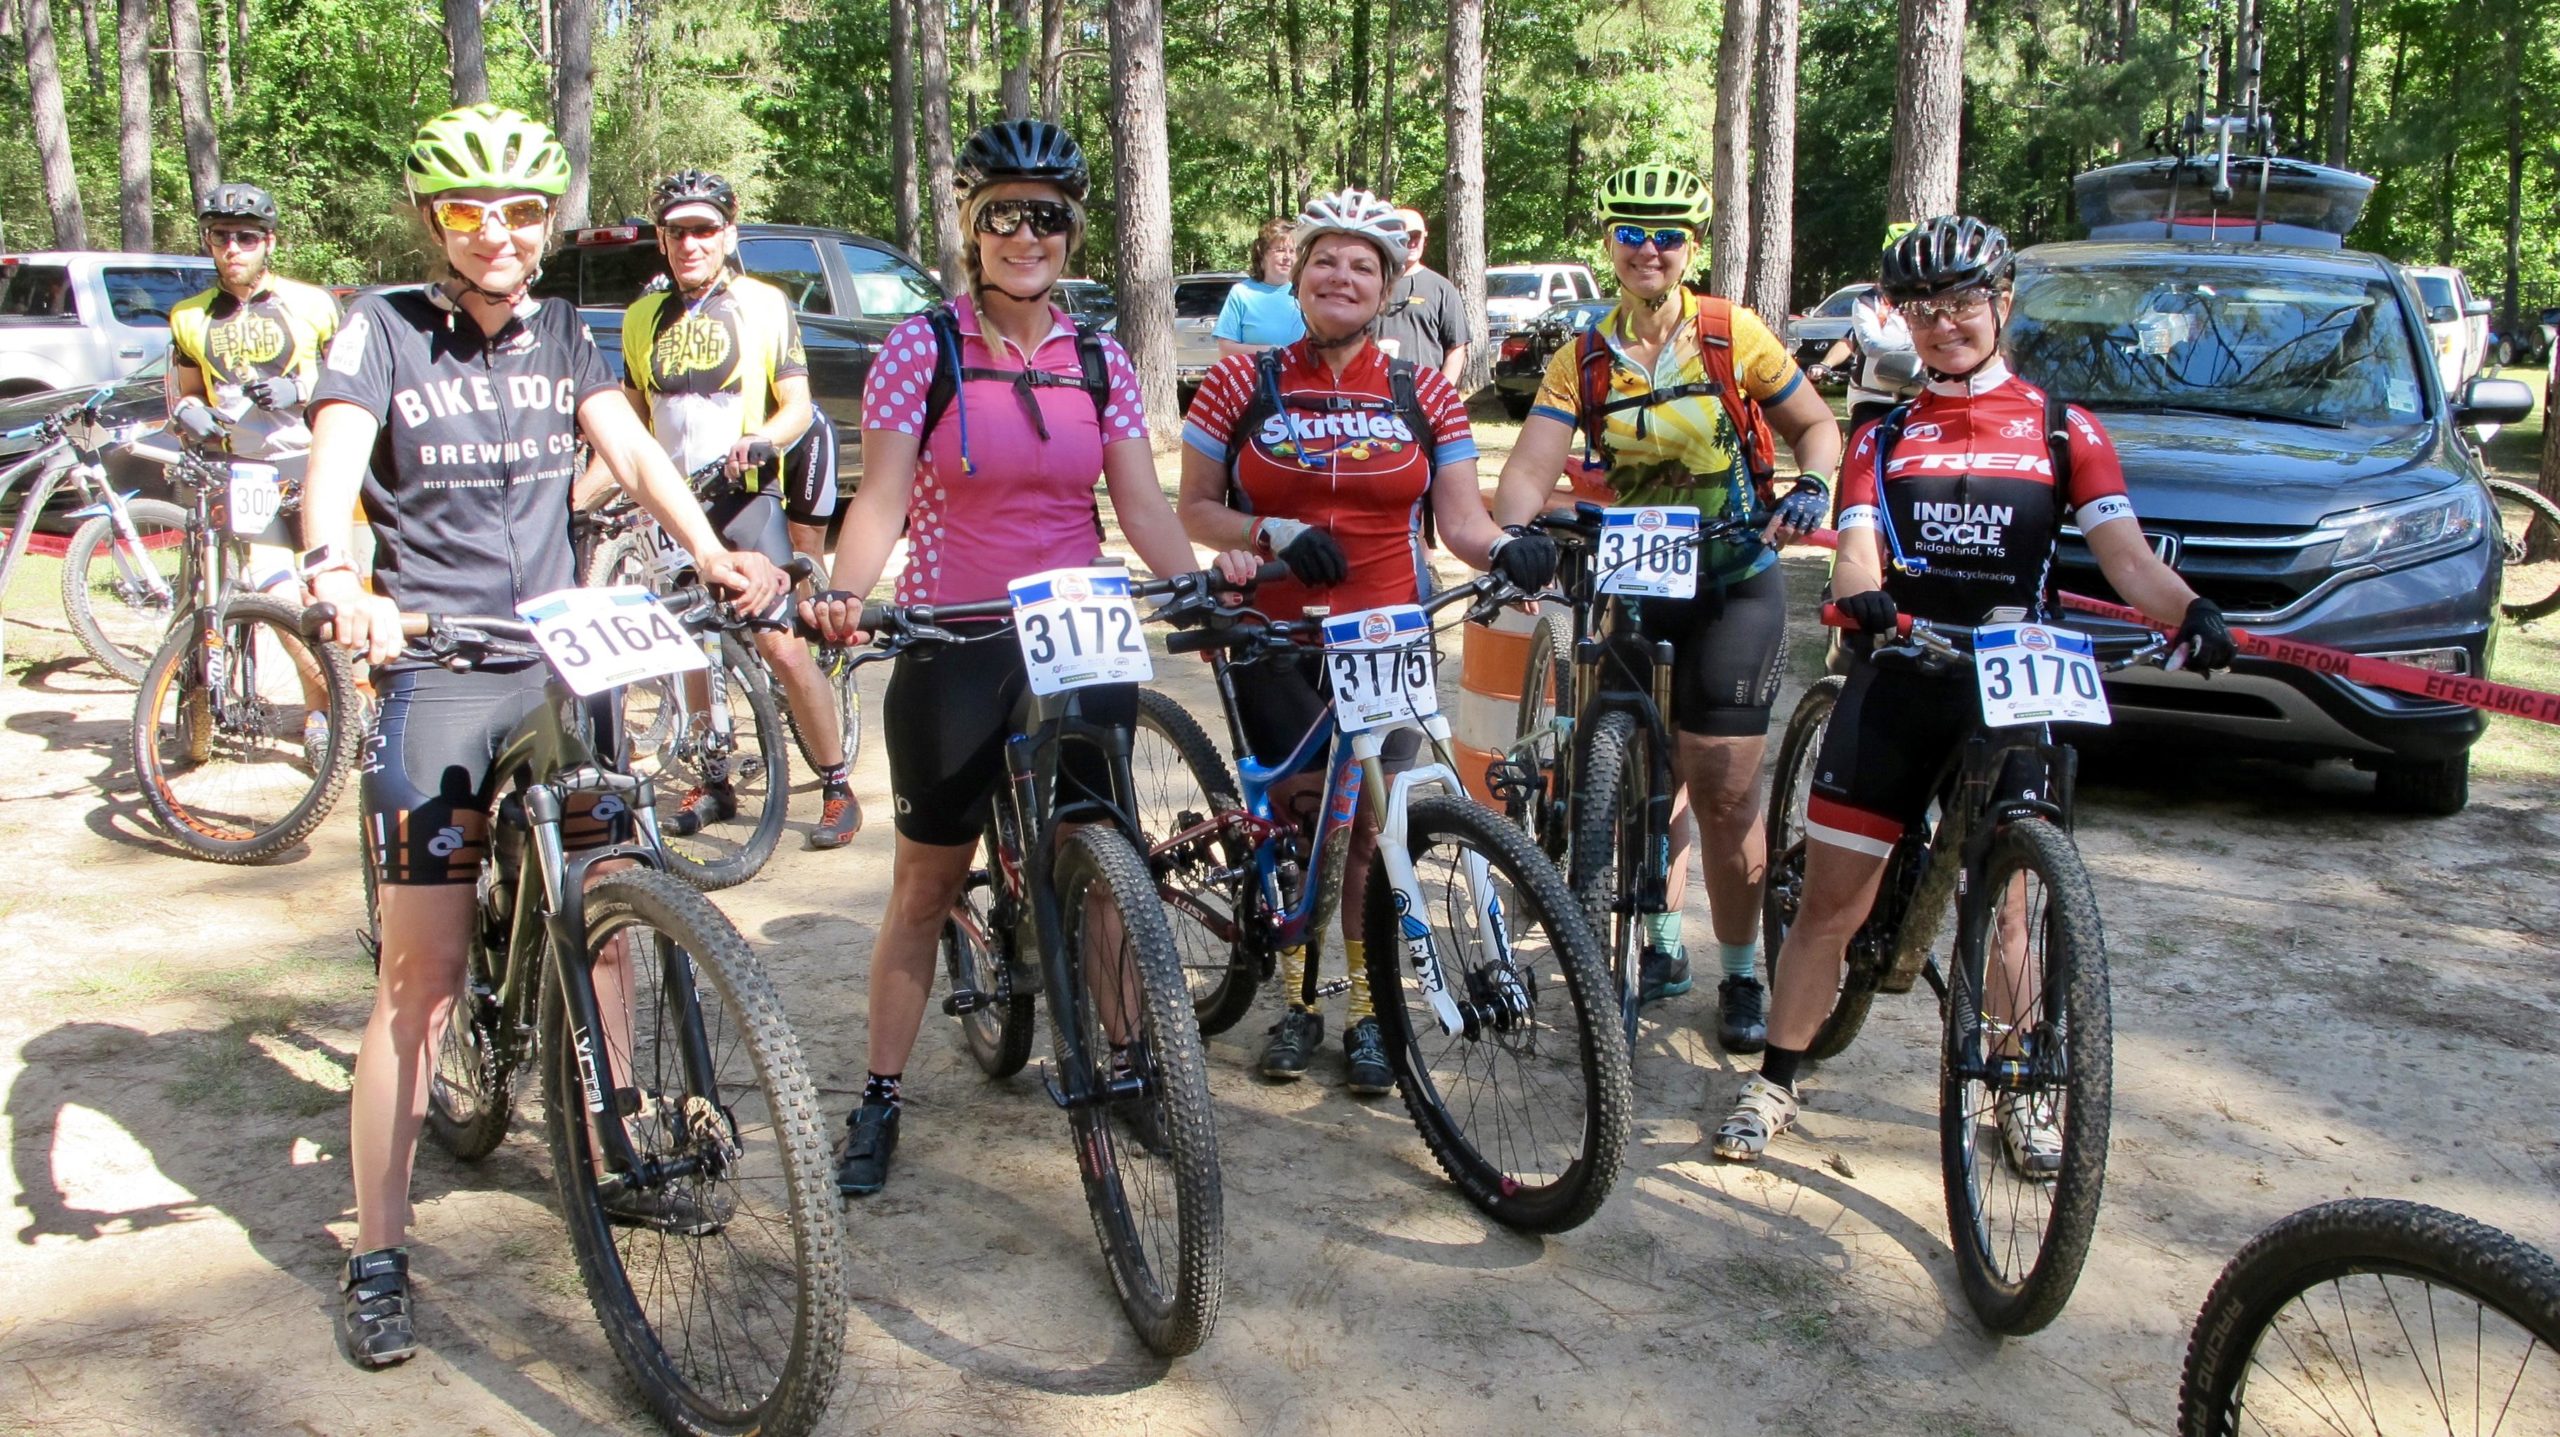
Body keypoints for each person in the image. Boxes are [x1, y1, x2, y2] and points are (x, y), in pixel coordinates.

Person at [299, 103, 784, 1370]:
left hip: (561, 659)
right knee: (422, 981)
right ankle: (381, 1249)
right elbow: (334, 461)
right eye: (471, 212)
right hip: (442, 669)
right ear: (433, 221)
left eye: (521, 212)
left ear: (547, 221)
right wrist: (330, 573)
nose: (499, 234)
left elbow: (627, 450)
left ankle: (616, 1136)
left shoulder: (571, 331)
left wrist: (708, 549)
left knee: (607, 913)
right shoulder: (383, 331)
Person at [1711, 215, 2234, 1166]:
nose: (1942, 323)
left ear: (2001, 305)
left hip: (2009, 679)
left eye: (1961, 303)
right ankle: (1778, 1080)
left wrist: (2190, 611)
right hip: (1903, 673)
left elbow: (2125, 559)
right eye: (1922, 308)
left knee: (2012, 900)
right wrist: (1859, 596)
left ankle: (2018, 1085)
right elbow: (1857, 546)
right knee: (1833, 902)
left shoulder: (2061, 429)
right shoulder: (1884, 433)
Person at [800, 119, 1257, 1197]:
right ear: (972, 228)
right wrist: (843, 593)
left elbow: (1137, 503)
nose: (1026, 235)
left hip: (1076, 622)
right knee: (924, 883)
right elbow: (879, 494)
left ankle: (1135, 1061)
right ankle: (879, 1093)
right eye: (1003, 214)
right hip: (954, 631)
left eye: (1047, 217)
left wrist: (1191, 571)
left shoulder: (1097, 356)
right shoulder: (925, 346)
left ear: (1072, 232)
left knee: (1107, 861)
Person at [1178, 186, 1557, 1092]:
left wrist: (1511, 546)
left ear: (1388, 287)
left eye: (1362, 265)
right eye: (1323, 261)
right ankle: (1300, 998)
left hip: (1386, 627)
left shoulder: (1422, 389)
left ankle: (1362, 1009)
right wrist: (1264, 535)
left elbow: (1462, 521)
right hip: (1275, 629)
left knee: (1371, 824)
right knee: (1310, 816)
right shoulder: (1243, 379)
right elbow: (1191, 506)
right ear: (1296, 277)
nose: (1340, 276)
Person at [1489, 160, 1842, 1055]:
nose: (1650, 250)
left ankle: (1741, 969)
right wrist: (1514, 530)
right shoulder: (1584, 353)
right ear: (1610, 243)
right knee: (1626, 760)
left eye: (1668, 236)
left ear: (1692, 248)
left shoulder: (1731, 333)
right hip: (1635, 576)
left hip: (1731, 574)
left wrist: (1814, 482)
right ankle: (1654, 937)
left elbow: (1815, 424)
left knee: (1722, 785)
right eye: (1632, 234)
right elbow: (1531, 462)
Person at [589, 168, 860, 850]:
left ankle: (835, 784)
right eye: (676, 231)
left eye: (704, 229)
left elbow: (796, 403)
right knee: (686, 644)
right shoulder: (640, 316)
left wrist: (763, 439)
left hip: (744, 494)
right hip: (673, 504)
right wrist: (586, 491)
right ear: (661, 239)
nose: (691, 243)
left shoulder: (764, 305)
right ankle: (715, 774)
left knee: (780, 644)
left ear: (728, 232)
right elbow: (630, 417)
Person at [167, 181, 345, 745]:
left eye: (247, 237)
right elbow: (184, 393)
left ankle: (356, 699)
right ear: (209, 242)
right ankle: (324, 712)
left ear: (270, 242)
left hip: (317, 465)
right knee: (279, 599)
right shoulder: (188, 317)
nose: (234, 248)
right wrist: (189, 413)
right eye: (222, 237)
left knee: (332, 596)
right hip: (247, 472)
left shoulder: (313, 303)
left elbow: (353, 388)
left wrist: (302, 394)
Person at [1809, 225, 1919, 430]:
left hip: (1915, 398)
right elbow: (1866, 343)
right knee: (1860, 458)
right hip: (1871, 398)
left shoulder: (1927, 300)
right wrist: (1824, 365)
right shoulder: (1869, 301)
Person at [1373, 205, 1471, 385]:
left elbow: (1456, 348)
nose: (1411, 242)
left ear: (1425, 237)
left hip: (1422, 395)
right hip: (1374, 395)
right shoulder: (1370, 284)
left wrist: (1440, 394)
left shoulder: (1441, 288)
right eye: (1404, 236)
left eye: (1416, 236)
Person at [1214, 218, 1306, 361]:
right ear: (1262, 254)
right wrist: (1272, 352)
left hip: (1301, 379)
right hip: (1256, 379)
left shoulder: (1307, 292)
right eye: (1280, 250)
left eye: (1292, 251)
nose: (1287, 257)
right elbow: (1225, 349)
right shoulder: (1242, 292)